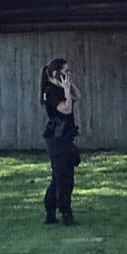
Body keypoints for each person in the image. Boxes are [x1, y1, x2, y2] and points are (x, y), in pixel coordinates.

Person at [40, 57, 82, 226]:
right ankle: (65, 211)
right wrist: (65, 89)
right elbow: (66, 109)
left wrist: (69, 84)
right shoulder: (51, 91)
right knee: (63, 178)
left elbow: (77, 96)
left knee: (60, 177)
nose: (69, 74)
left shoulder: (59, 87)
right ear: (56, 73)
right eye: (66, 72)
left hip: (65, 138)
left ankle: (50, 210)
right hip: (57, 140)